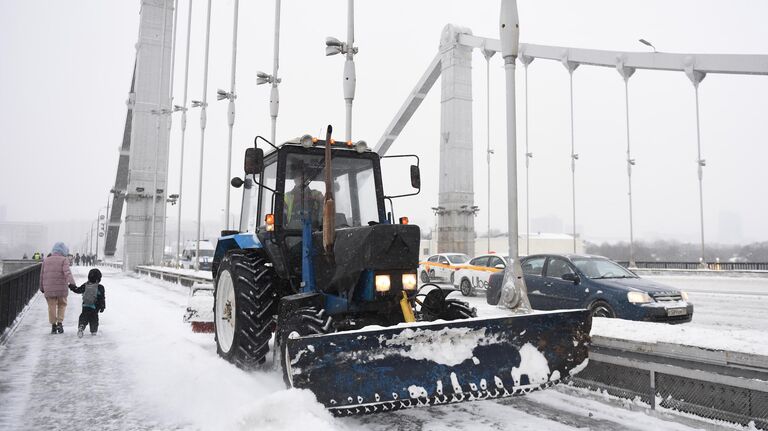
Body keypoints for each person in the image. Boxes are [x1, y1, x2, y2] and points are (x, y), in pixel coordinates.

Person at [39, 242, 76, 334]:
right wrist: (72, 283)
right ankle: (59, 323)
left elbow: (42, 275)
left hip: (49, 288)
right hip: (61, 288)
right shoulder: (64, 260)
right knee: (62, 305)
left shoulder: (46, 260)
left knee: (51, 307)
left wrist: (41, 287)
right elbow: (67, 272)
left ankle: (53, 325)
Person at [284, 160, 325, 229]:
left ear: (307, 178)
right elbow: (282, 218)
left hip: (315, 230)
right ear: (294, 179)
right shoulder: (287, 197)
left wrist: (321, 200)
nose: (301, 179)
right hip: (292, 232)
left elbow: (326, 208)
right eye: (298, 176)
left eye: (303, 176)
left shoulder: (316, 194)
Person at [69, 268, 106, 338]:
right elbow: (102, 298)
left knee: (84, 317)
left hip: (86, 306)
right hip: (95, 307)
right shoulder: (100, 287)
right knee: (94, 319)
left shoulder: (86, 285)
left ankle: (81, 327)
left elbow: (78, 290)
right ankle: (94, 331)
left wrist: (72, 287)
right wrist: (102, 306)